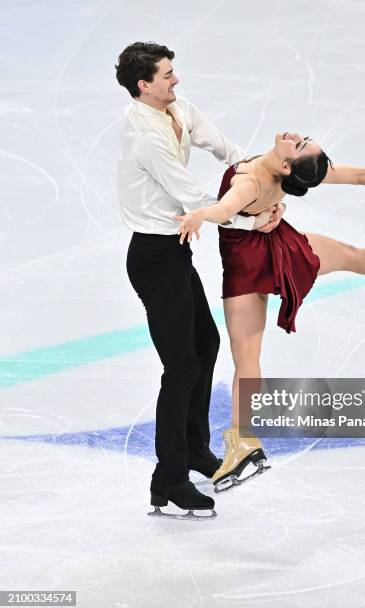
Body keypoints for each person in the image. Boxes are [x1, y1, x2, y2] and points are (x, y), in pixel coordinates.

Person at [175, 131, 365, 493]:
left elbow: (225, 211)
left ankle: (244, 440)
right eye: (305, 140)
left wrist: (199, 215)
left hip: (245, 266)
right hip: (280, 249)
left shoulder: (251, 180)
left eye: (300, 144)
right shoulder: (282, 173)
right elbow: (358, 175)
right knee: (351, 255)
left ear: (287, 165)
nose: (297, 136)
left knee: (246, 357)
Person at [115, 41, 285, 520]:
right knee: (181, 367)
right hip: (153, 257)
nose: (176, 80)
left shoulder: (177, 109)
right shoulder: (146, 136)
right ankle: (167, 480)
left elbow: (221, 144)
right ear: (143, 85)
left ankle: (194, 450)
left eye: (174, 71)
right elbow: (194, 198)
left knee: (205, 344)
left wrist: (258, 172)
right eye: (167, 75)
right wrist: (256, 221)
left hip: (176, 249)